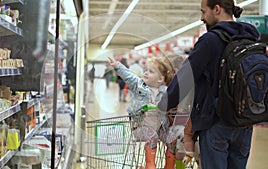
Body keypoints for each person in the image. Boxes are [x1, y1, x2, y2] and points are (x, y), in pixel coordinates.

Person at [158, 0, 258, 169]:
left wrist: (164, 104)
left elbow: (185, 77)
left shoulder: (210, 40)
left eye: (204, 12)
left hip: (216, 121)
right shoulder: (251, 39)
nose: (201, 17)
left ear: (217, 9)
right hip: (245, 122)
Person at [108, 56, 175, 169]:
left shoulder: (165, 92)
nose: (146, 73)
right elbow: (129, 77)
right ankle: (150, 165)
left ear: (160, 79)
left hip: (160, 128)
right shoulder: (139, 85)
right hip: (140, 127)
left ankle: (169, 166)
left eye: (151, 71)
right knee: (152, 136)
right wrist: (118, 66)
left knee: (172, 138)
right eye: (146, 70)